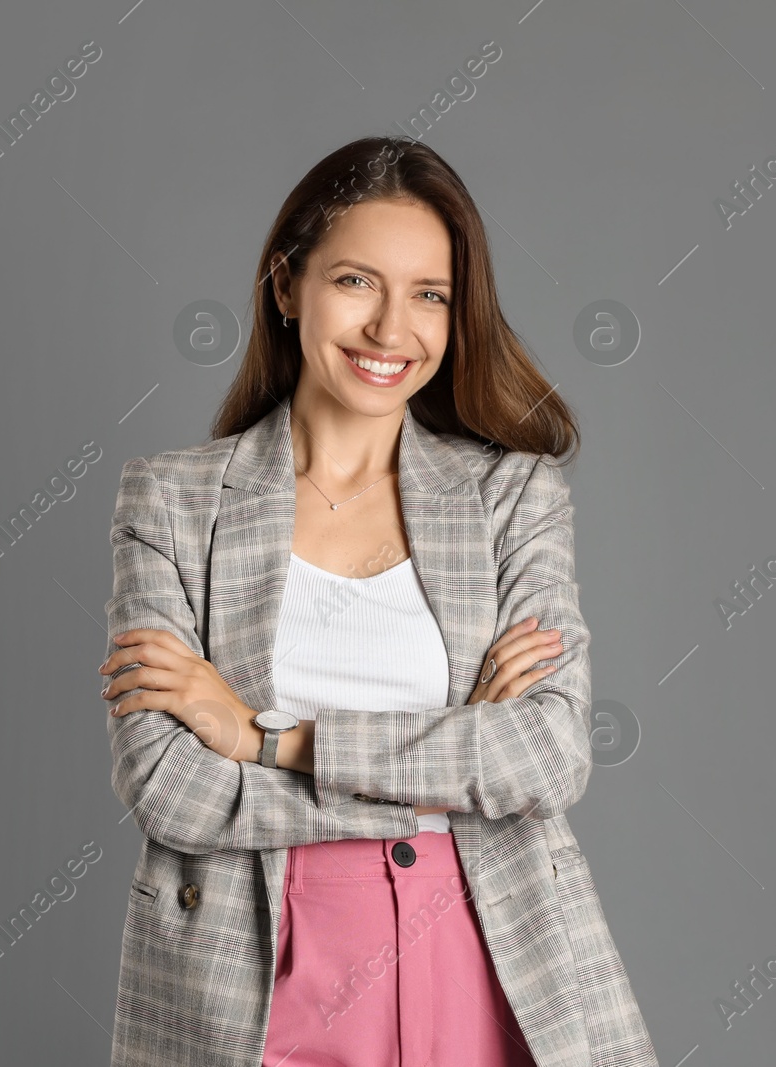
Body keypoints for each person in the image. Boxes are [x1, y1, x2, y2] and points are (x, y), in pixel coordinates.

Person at [99, 135, 659, 1067]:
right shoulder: (172, 499)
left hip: (485, 950)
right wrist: (447, 770)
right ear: (288, 287)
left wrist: (264, 739)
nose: (391, 329)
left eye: (429, 295)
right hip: (255, 961)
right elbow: (170, 789)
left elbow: (549, 756)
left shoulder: (511, 499)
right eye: (357, 281)